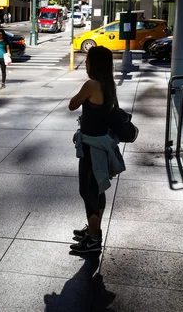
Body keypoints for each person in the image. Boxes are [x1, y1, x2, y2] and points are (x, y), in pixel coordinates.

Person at [68, 46, 125, 254]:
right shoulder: (109, 85)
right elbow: (99, 116)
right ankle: (94, 230)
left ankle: (93, 241)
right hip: (101, 143)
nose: (86, 64)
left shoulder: (91, 85)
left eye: (88, 60)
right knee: (97, 190)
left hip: (92, 148)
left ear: (95, 64)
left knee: (88, 191)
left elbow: (72, 105)